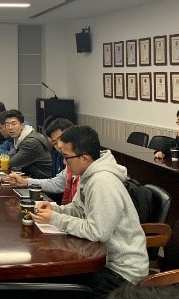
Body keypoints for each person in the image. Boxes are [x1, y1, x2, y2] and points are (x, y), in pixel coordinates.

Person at [32, 125, 148, 298]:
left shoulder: (102, 182)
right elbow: (79, 210)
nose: (64, 163)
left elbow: (97, 231)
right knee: (51, 279)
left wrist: (55, 219)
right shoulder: (88, 174)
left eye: (66, 157)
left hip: (122, 273)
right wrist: (54, 209)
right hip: (104, 260)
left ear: (84, 158)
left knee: (53, 285)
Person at [3, 117, 79, 204]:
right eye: (54, 143)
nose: (59, 145)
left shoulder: (31, 142)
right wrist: (26, 182)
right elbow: (57, 183)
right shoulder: (58, 153)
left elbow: (13, 162)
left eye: (61, 139)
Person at [0, 109, 52, 179]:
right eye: (7, 125)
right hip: (32, 176)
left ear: (22, 125)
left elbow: (14, 162)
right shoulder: (21, 137)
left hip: (41, 180)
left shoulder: (30, 142)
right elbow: (15, 154)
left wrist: (0, 159)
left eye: (14, 124)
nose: (10, 128)